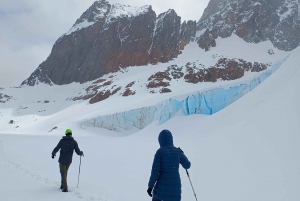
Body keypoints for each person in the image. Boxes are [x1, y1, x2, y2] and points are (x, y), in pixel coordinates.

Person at [147, 129, 191, 201]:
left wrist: (150, 187)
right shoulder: (177, 151)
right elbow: (187, 165)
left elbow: (155, 172)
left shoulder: (159, 152)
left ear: (160, 140)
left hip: (160, 191)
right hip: (175, 192)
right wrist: (182, 154)